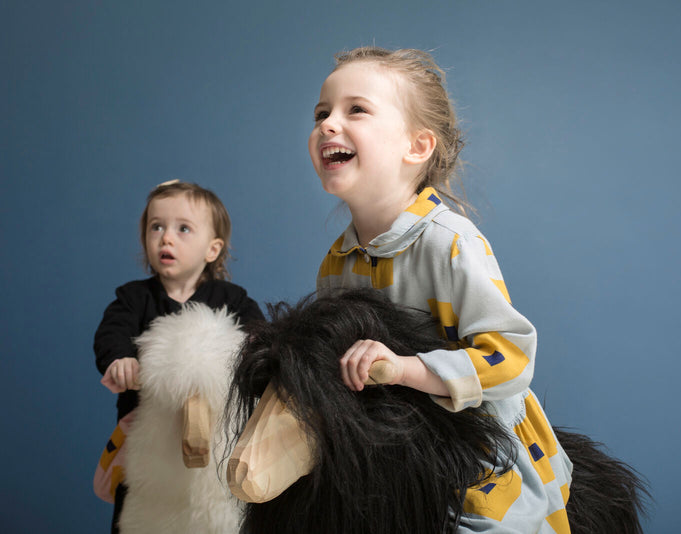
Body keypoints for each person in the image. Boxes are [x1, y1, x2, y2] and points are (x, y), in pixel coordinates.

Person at [310, 47, 573, 533]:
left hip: (472, 446)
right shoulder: (336, 263)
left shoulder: (450, 243)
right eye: (322, 113)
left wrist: (409, 369)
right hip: (387, 446)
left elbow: (510, 355)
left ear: (417, 146)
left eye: (356, 109)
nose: (328, 124)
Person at [93, 181, 264, 533]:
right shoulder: (134, 298)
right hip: (148, 437)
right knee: (137, 510)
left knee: (221, 513)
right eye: (156, 227)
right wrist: (120, 360)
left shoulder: (232, 300)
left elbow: (259, 341)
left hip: (215, 441)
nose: (166, 238)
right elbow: (111, 333)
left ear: (212, 249)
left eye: (183, 228)